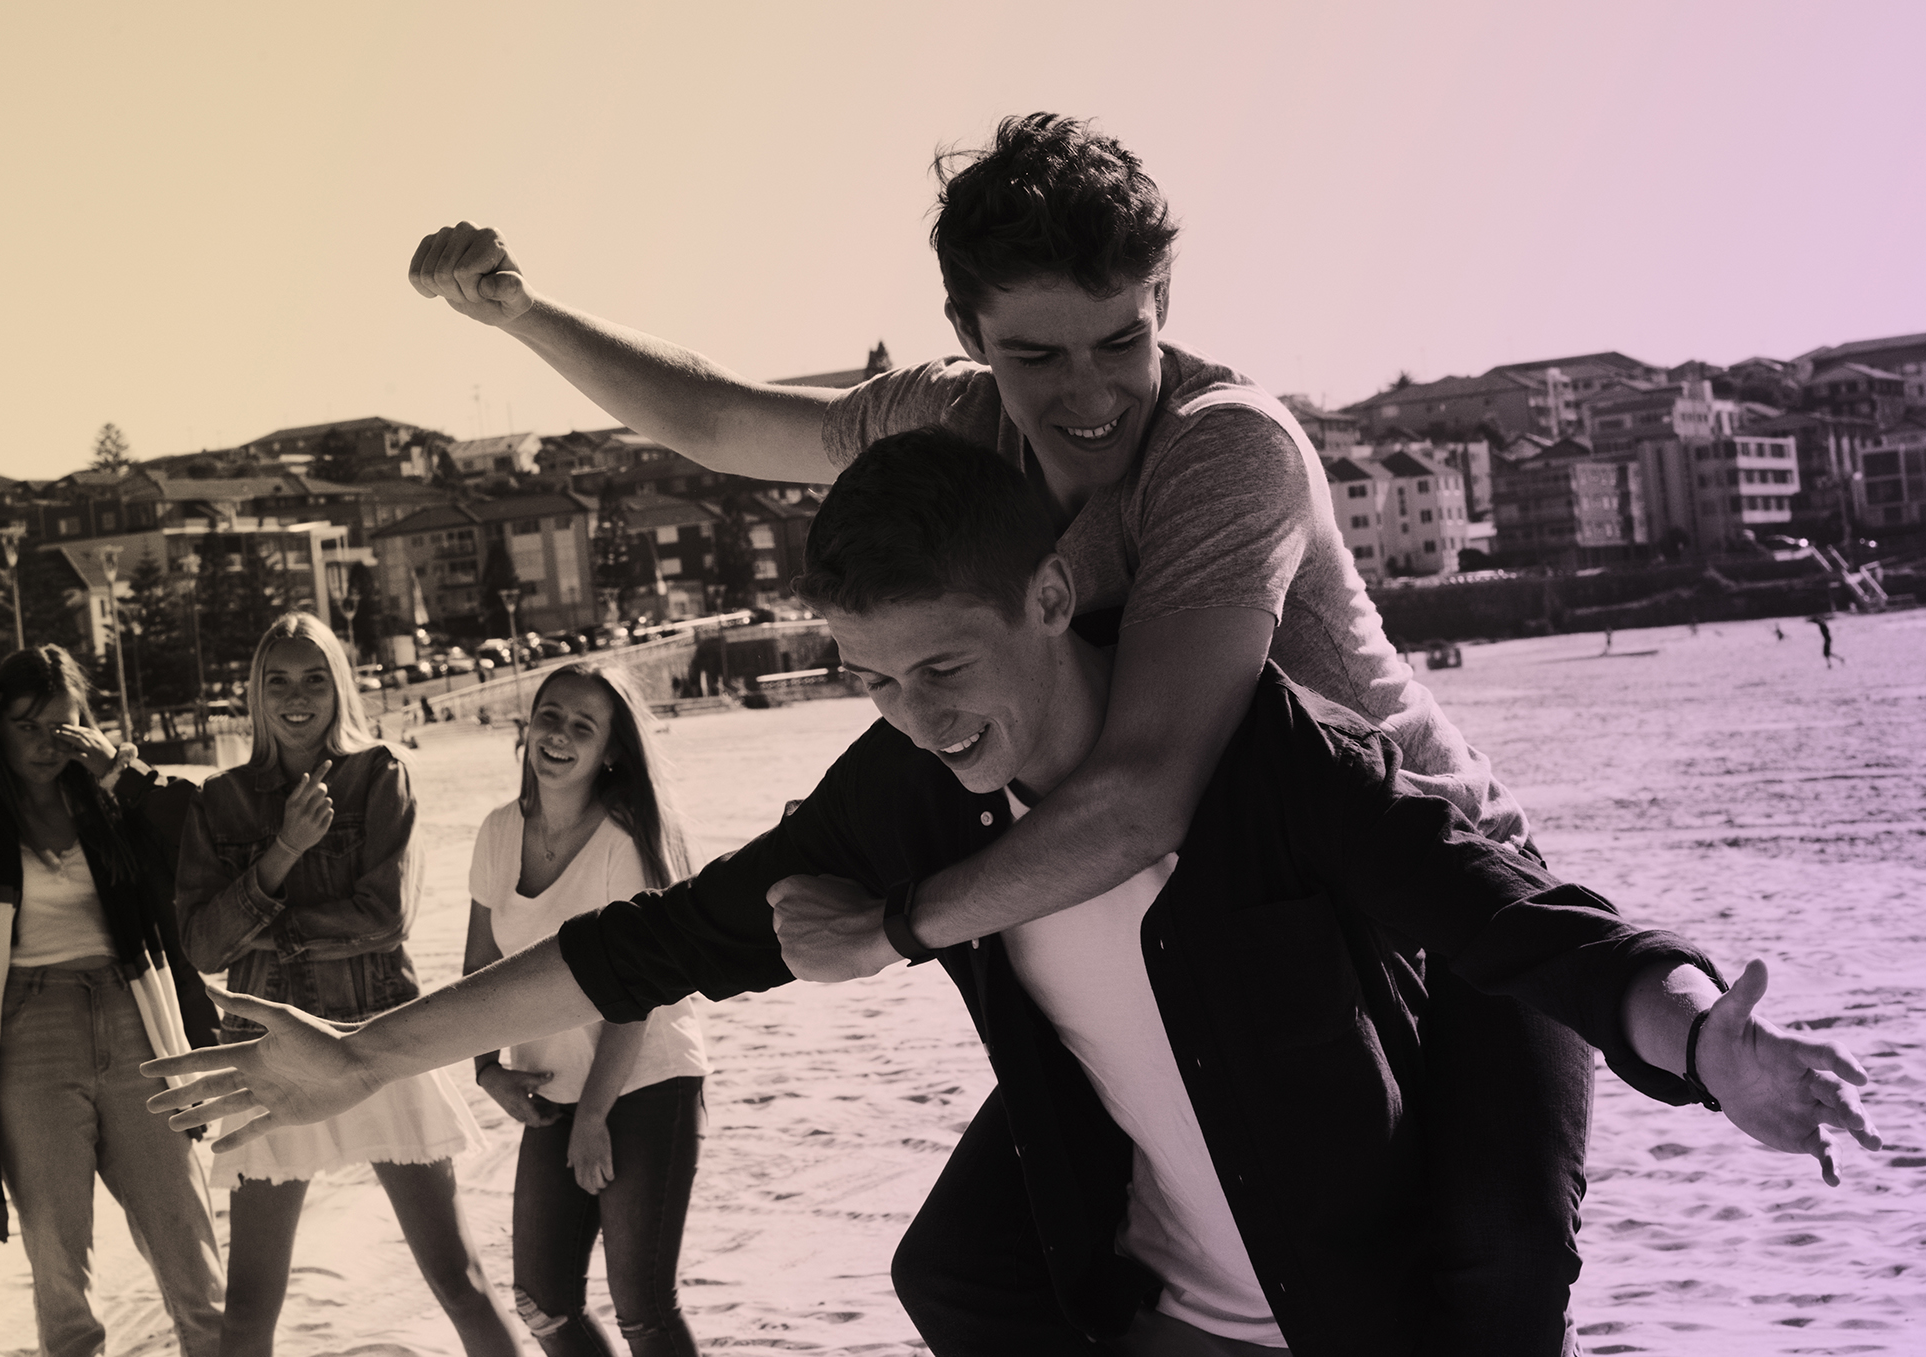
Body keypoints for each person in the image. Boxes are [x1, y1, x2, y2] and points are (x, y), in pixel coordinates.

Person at [148, 432, 1882, 1357]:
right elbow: (652, 941)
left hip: (1374, 1305)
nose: (916, 716)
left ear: (1054, 596)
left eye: (943, 664)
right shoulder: (907, 791)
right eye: (874, 680)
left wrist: (1694, 1041)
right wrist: (372, 1058)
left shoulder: (1253, 754)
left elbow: (1494, 908)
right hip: (1158, 1314)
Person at [405, 112, 1589, 1338]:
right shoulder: (952, 421)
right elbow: (717, 421)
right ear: (970, 334)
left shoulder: (1224, 450)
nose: (1090, 395)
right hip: (1218, 915)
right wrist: (523, 313)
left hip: (1437, 887)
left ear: (1164, 296)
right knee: (967, 1268)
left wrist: (893, 927)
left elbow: (1143, 792)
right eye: (1036, 355)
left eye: (1123, 337)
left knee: (1496, 1263)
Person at [174, 612, 518, 1357]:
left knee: (459, 1280)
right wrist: (285, 850)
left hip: (380, 1039)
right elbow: (201, 943)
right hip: (267, 1054)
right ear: (255, 694)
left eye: (314, 679)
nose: (297, 697)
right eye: (279, 681)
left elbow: (385, 917)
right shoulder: (221, 800)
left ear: (341, 686)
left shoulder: (378, 772)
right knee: (248, 1310)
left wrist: (262, 918)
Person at [0, 645, 224, 1357]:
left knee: (192, 1255)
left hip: (135, 1014)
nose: (45, 745)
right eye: (24, 726)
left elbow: (198, 834)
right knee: (61, 1276)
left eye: (61, 725)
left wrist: (116, 765)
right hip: (29, 1028)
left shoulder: (108, 798)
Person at [464, 662, 707, 1354]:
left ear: (612, 750)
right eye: (549, 715)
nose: (560, 735)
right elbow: (478, 966)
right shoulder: (498, 831)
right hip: (553, 1086)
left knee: (643, 1310)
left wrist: (595, 1114)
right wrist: (487, 1068)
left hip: (645, 1079)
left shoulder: (622, 843)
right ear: (527, 724)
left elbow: (639, 991)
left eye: (583, 726)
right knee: (542, 1302)